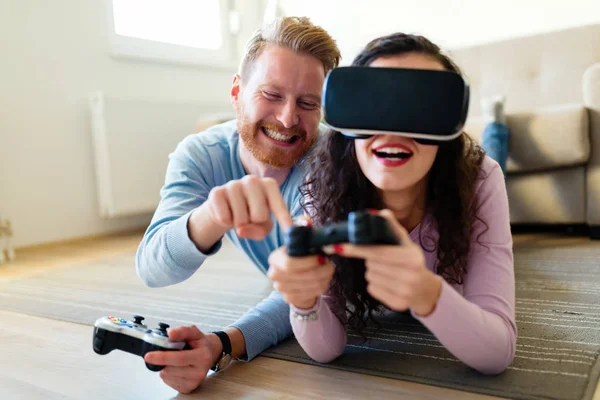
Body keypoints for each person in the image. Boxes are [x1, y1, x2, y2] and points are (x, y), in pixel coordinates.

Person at [267, 33, 517, 375]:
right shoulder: (327, 189)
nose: (394, 131)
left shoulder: (481, 179)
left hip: (468, 173)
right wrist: (303, 300)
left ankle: (497, 126)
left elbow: (497, 352)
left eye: (419, 108)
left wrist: (426, 292)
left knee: (494, 156)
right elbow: (326, 350)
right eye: (376, 106)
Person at [137, 17, 341, 393]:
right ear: (237, 92)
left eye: (308, 103)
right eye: (272, 94)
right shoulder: (200, 155)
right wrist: (209, 218)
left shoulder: (331, 161)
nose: (287, 118)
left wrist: (223, 343)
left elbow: (311, 294)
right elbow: (152, 267)